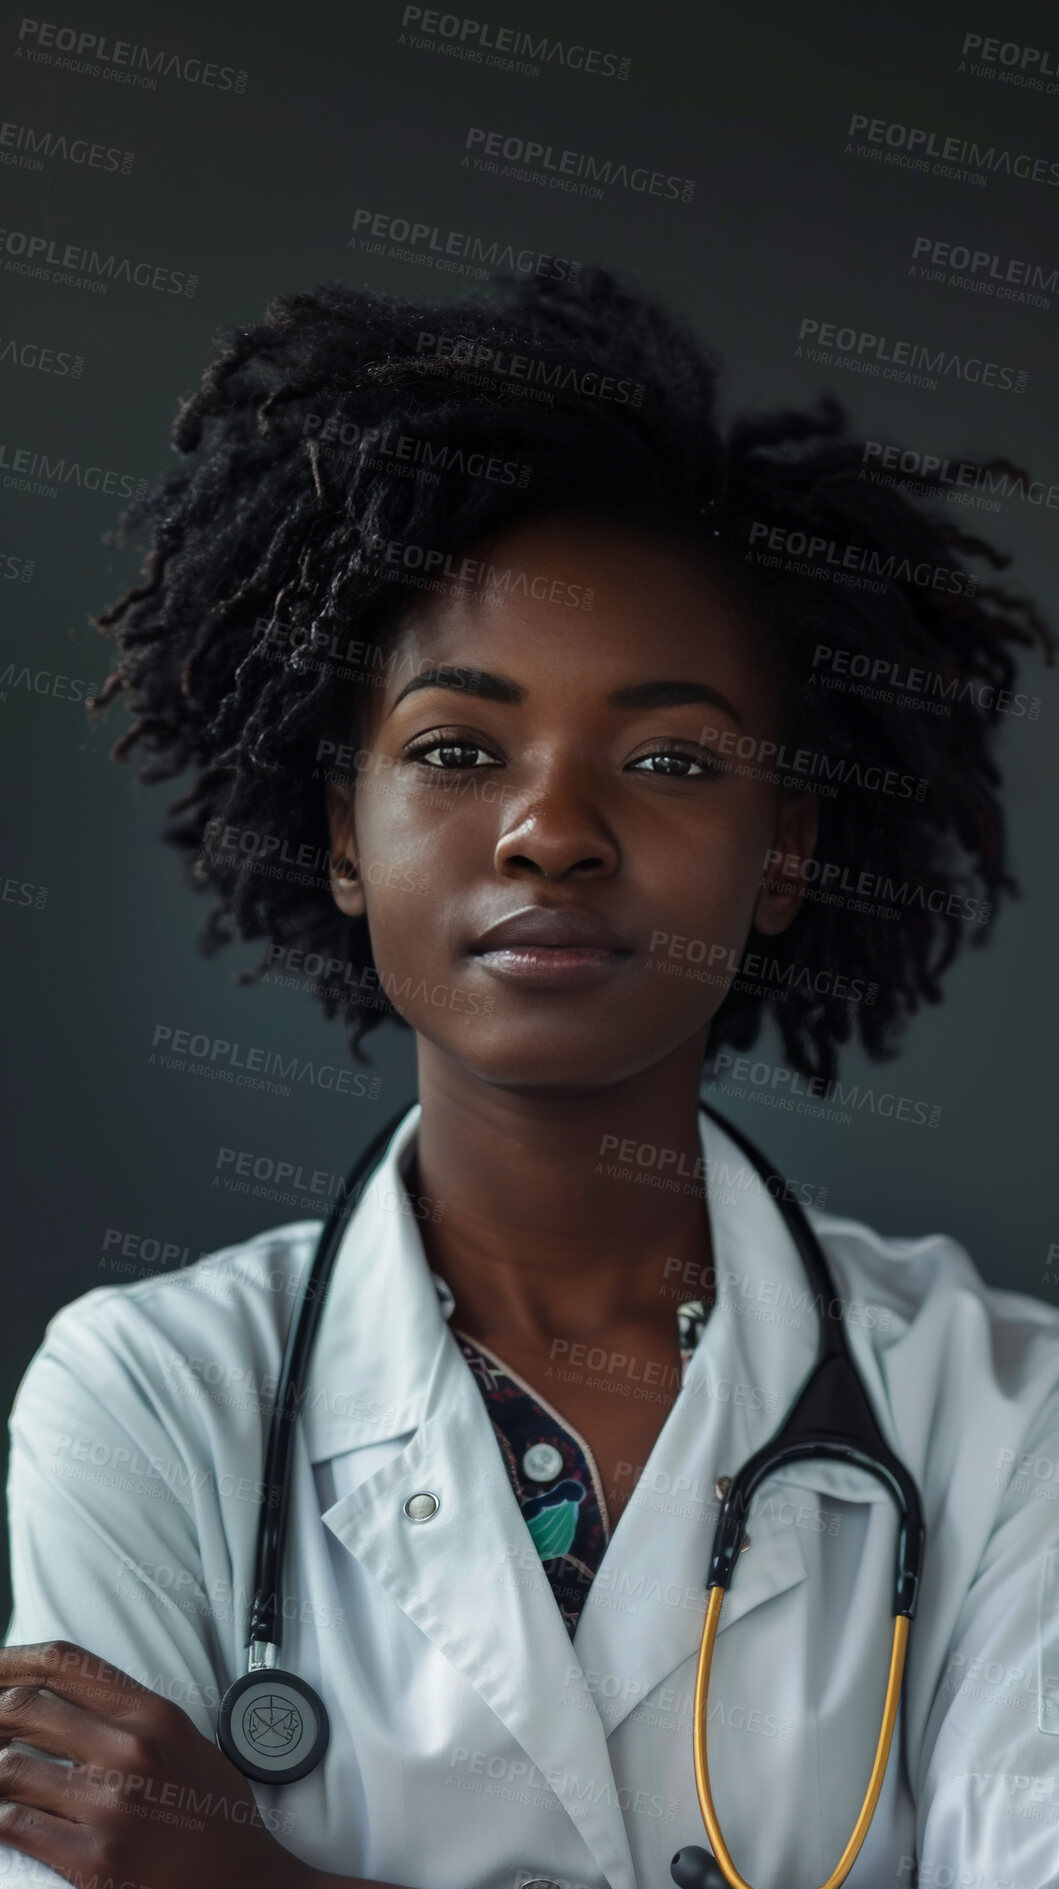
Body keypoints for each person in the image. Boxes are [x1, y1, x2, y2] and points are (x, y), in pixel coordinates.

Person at [2, 267, 1058, 1889]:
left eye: (671, 761)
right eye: (454, 749)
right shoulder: (147, 1396)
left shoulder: (1005, 1420)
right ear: (343, 832)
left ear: (786, 851)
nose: (553, 830)